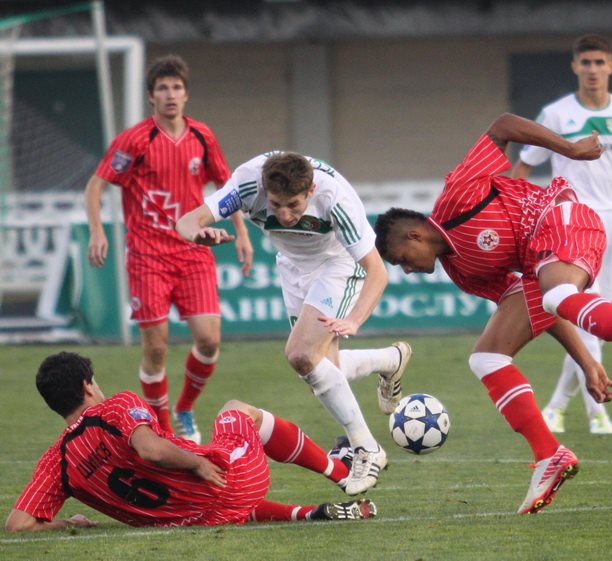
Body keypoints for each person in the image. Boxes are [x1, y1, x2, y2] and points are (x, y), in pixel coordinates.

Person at [373, 112, 612, 514]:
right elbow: (540, 308)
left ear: (415, 235)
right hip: (545, 265)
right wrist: (587, 364)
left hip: (563, 217)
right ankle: (549, 454)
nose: (408, 270)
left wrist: (570, 150)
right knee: (487, 357)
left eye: (402, 260)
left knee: (556, 291)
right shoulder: (463, 272)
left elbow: (502, 126)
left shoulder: (457, 196)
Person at [176, 152, 412, 496]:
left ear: (310, 190)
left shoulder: (335, 199)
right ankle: (389, 360)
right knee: (320, 372)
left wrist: (354, 320)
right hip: (292, 264)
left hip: (338, 263)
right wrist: (196, 234)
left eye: (294, 205)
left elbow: (377, 271)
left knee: (302, 355)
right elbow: (187, 220)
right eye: (275, 205)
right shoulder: (247, 183)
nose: (284, 215)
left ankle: (366, 448)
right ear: (264, 190)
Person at [5, 351, 376, 532]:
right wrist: (197, 462)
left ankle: (307, 514)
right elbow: (150, 449)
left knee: (212, 500)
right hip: (230, 481)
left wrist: (67, 522)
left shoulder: (57, 461)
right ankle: (342, 472)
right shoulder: (114, 406)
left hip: (187, 521)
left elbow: (17, 525)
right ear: (87, 386)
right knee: (235, 411)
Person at [84, 55, 253, 444]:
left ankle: (185, 408)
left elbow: (226, 187)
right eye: (163, 88)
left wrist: (241, 232)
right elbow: (96, 184)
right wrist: (97, 230)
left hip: (193, 252)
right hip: (147, 257)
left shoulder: (202, 137)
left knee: (209, 340)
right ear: (151, 96)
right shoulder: (135, 140)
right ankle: (161, 428)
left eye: (177, 87)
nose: (170, 94)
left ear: (186, 94)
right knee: (156, 348)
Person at [512, 33, 612, 436]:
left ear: (611, 66)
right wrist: (521, 215)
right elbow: (524, 165)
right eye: (586, 62)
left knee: (602, 314)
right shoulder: (556, 114)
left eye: (600, 62)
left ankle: (556, 408)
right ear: (575, 66)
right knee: (587, 318)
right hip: (572, 221)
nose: (593, 69)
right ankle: (598, 414)